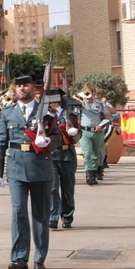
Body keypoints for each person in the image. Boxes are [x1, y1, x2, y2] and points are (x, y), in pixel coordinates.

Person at [0, 75, 58, 269]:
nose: (22, 88)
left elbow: (57, 136)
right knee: (18, 212)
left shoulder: (46, 112)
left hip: (40, 166)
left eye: (26, 85)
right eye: (19, 85)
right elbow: (1, 142)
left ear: (33, 87)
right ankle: (19, 258)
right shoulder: (8, 113)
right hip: (16, 167)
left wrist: (48, 143)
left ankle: (40, 258)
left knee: (40, 215)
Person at [48, 93, 82, 230]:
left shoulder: (71, 115)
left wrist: (74, 133)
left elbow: (79, 135)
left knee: (67, 188)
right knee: (52, 188)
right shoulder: (47, 116)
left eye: (52, 100)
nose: (50, 103)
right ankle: (53, 217)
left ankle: (67, 217)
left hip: (67, 154)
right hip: (51, 154)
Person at [78, 88, 110, 185]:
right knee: (87, 153)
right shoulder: (81, 104)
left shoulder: (100, 104)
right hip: (84, 131)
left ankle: (94, 172)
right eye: (86, 93)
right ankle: (89, 174)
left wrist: (101, 125)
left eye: (89, 93)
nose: (88, 96)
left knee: (96, 154)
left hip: (97, 131)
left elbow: (107, 116)